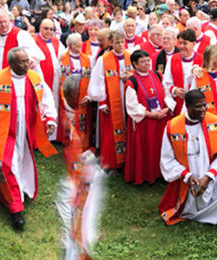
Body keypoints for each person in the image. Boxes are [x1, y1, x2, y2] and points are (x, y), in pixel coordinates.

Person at [0, 48, 56, 230]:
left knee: (21, 161)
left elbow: (46, 98)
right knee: (6, 165)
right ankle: (15, 210)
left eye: (27, 61)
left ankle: (19, 189)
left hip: (25, 130)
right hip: (2, 131)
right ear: (11, 63)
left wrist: (50, 118)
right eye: (21, 62)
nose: (26, 65)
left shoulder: (34, 78)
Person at [158, 89, 217, 226]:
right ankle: (208, 214)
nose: (203, 109)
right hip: (190, 175)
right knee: (193, 201)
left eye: (205, 105)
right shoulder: (172, 127)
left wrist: (209, 175)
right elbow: (167, 159)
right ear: (187, 107)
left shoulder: (216, 122)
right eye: (198, 106)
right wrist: (187, 176)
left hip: (215, 169)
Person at [124, 49, 170, 184]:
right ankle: (146, 176)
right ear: (135, 64)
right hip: (145, 122)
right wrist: (151, 114)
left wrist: (167, 108)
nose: (147, 64)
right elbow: (132, 106)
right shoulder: (132, 82)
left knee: (161, 147)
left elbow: (167, 93)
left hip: (161, 119)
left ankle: (162, 173)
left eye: (148, 61)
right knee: (147, 149)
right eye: (143, 62)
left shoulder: (158, 75)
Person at [88, 30, 132, 170]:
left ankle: (126, 160)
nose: (120, 45)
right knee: (111, 132)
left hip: (127, 100)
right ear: (111, 43)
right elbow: (97, 81)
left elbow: (137, 74)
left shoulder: (130, 56)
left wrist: (130, 76)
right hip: (110, 101)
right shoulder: (103, 59)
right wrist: (102, 102)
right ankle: (112, 162)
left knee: (127, 129)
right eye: (117, 42)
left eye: (122, 42)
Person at [59, 33, 92, 148]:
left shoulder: (87, 59)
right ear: (70, 45)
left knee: (81, 119)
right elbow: (58, 76)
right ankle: (69, 142)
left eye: (80, 43)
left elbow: (91, 79)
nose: (79, 45)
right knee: (69, 117)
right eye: (76, 44)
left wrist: (88, 95)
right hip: (68, 94)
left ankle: (80, 141)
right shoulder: (62, 58)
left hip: (82, 93)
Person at [34, 18, 66, 137]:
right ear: (40, 28)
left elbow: (63, 55)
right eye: (46, 28)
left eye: (51, 29)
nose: (48, 31)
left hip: (55, 80)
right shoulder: (34, 40)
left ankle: (53, 134)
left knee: (54, 103)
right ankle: (40, 135)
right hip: (41, 79)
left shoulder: (56, 41)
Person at [163, 29, 199, 115]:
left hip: (196, 105)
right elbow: (166, 81)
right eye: (180, 43)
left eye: (185, 43)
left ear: (193, 44)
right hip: (178, 102)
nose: (182, 46)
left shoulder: (201, 60)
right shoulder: (172, 59)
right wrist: (175, 90)